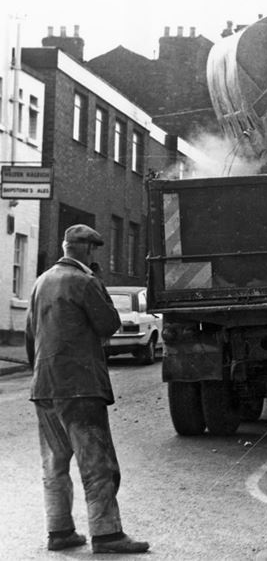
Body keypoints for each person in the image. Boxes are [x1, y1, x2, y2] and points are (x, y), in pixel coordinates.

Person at [25, 224, 149, 554]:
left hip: (44, 386)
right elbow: (109, 323)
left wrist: (41, 375)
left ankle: (59, 531)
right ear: (88, 251)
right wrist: (99, 284)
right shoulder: (84, 281)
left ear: (65, 247)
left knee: (54, 463)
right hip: (80, 386)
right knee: (97, 463)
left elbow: (29, 335)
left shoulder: (41, 281)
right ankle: (107, 535)